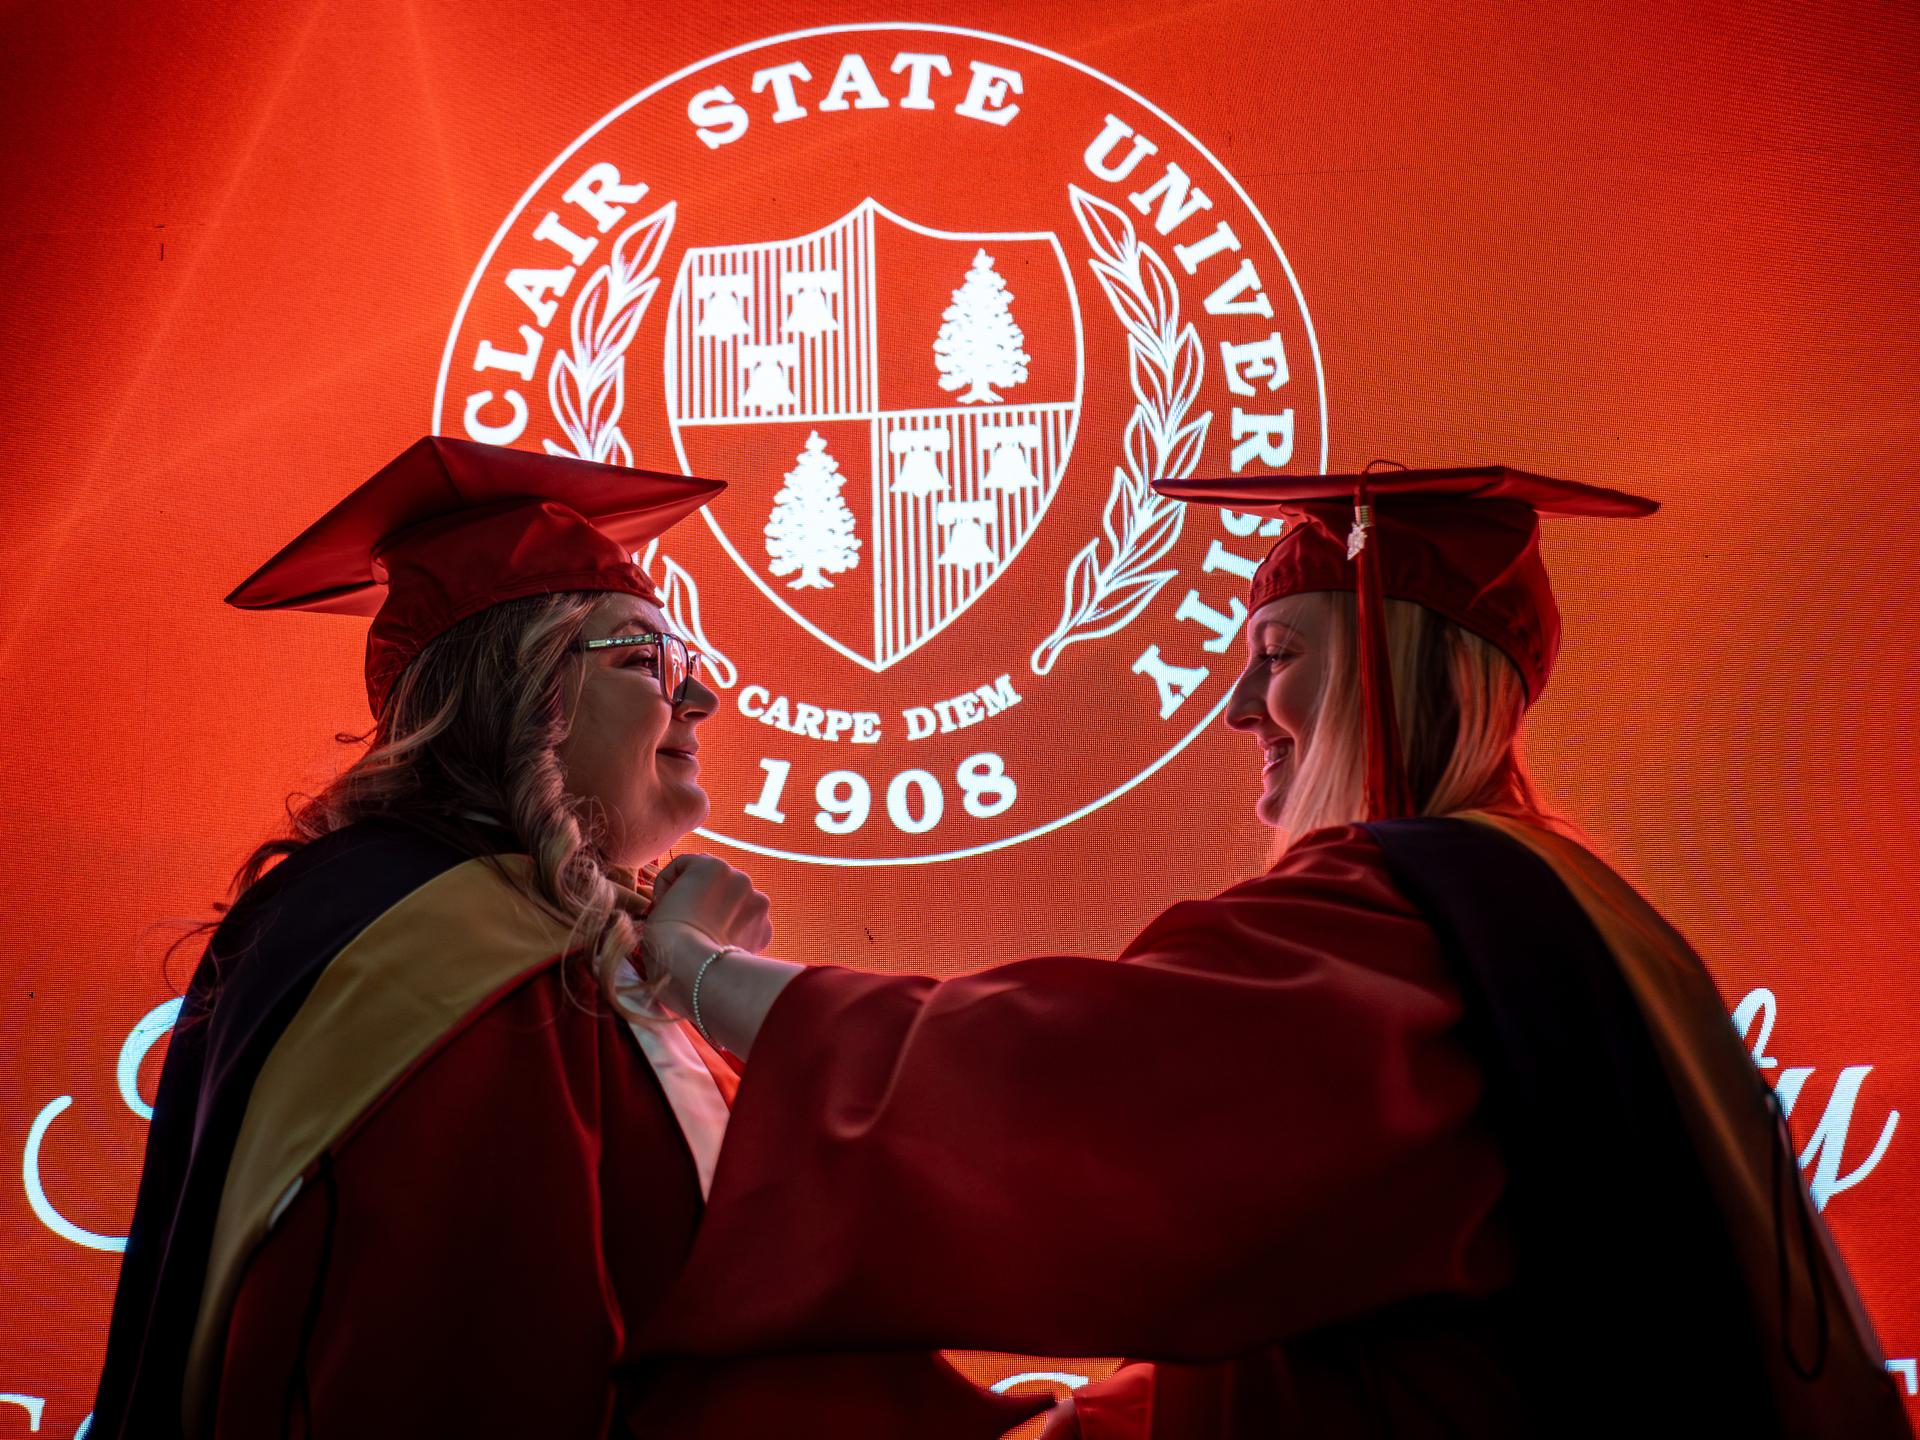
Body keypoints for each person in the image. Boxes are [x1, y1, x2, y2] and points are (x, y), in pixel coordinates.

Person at [635, 465, 1911, 1437]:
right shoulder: (1582, 903)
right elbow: (1378, 1302)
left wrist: (711, 976)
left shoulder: (1418, 915)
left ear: (1392, 669)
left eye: (1278, 657)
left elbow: (1076, 1095)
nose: (1241, 708)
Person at [89, 436, 1034, 1440]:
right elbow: (476, 1365)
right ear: (516, 693)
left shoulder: (560, 941)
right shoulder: (440, 947)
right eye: (643, 660)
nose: (700, 698)